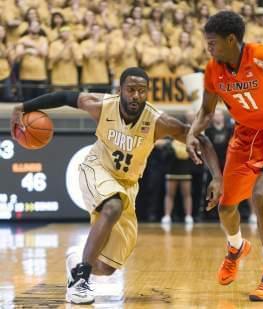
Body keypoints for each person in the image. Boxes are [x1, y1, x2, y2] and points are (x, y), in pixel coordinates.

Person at [10, 67, 222, 305]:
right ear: (120, 90)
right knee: (112, 206)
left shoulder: (158, 121)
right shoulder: (101, 106)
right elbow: (64, 97)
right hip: (95, 169)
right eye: (131, 90)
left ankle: (78, 263)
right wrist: (24, 106)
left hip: (127, 185)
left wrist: (217, 177)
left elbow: (199, 138)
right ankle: (81, 280)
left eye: (142, 91)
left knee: (108, 267)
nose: (136, 96)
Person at [186, 11, 263, 302]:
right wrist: (191, 133)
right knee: (226, 207)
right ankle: (236, 247)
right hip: (246, 135)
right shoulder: (213, 70)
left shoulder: (261, 53)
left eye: (212, 43)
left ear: (231, 39)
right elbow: (207, 113)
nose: (208, 48)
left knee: (261, 194)